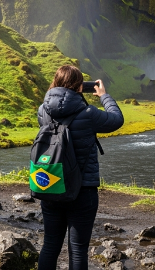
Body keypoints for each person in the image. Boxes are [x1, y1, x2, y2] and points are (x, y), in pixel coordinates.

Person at [36, 65, 123, 270]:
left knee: (50, 245)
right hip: (83, 189)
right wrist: (104, 96)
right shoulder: (88, 113)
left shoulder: (43, 110)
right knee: (78, 249)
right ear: (80, 86)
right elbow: (117, 119)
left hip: (52, 183)